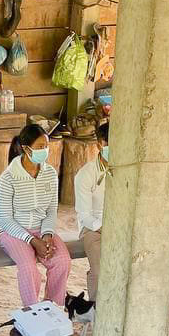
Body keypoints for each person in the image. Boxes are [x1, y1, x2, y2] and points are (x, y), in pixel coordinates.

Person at [0, 123, 69, 308]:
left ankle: (51, 308)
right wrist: (32, 241)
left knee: (62, 261)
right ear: (25, 148)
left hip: (41, 230)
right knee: (29, 269)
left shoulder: (50, 174)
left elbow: (51, 209)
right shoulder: (8, 177)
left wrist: (46, 235)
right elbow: (4, 220)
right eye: (39, 147)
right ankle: (33, 312)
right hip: (14, 233)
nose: (44, 151)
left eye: (46, 146)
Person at [70, 121, 110, 321]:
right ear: (101, 144)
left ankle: (112, 311)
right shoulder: (86, 174)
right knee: (101, 267)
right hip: (93, 228)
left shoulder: (127, 169)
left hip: (121, 226)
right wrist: (103, 226)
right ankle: (101, 314)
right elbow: (84, 215)